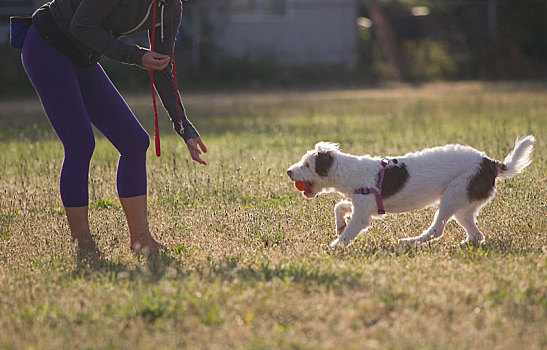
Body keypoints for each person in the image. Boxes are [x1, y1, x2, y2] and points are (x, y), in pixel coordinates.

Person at [21, 0, 207, 256]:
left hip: (83, 56)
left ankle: (141, 240)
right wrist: (137, 56)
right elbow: (81, 26)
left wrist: (183, 126)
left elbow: (162, 66)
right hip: (48, 44)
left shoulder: (171, 7)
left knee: (134, 141)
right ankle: (82, 244)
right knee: (80, 144)